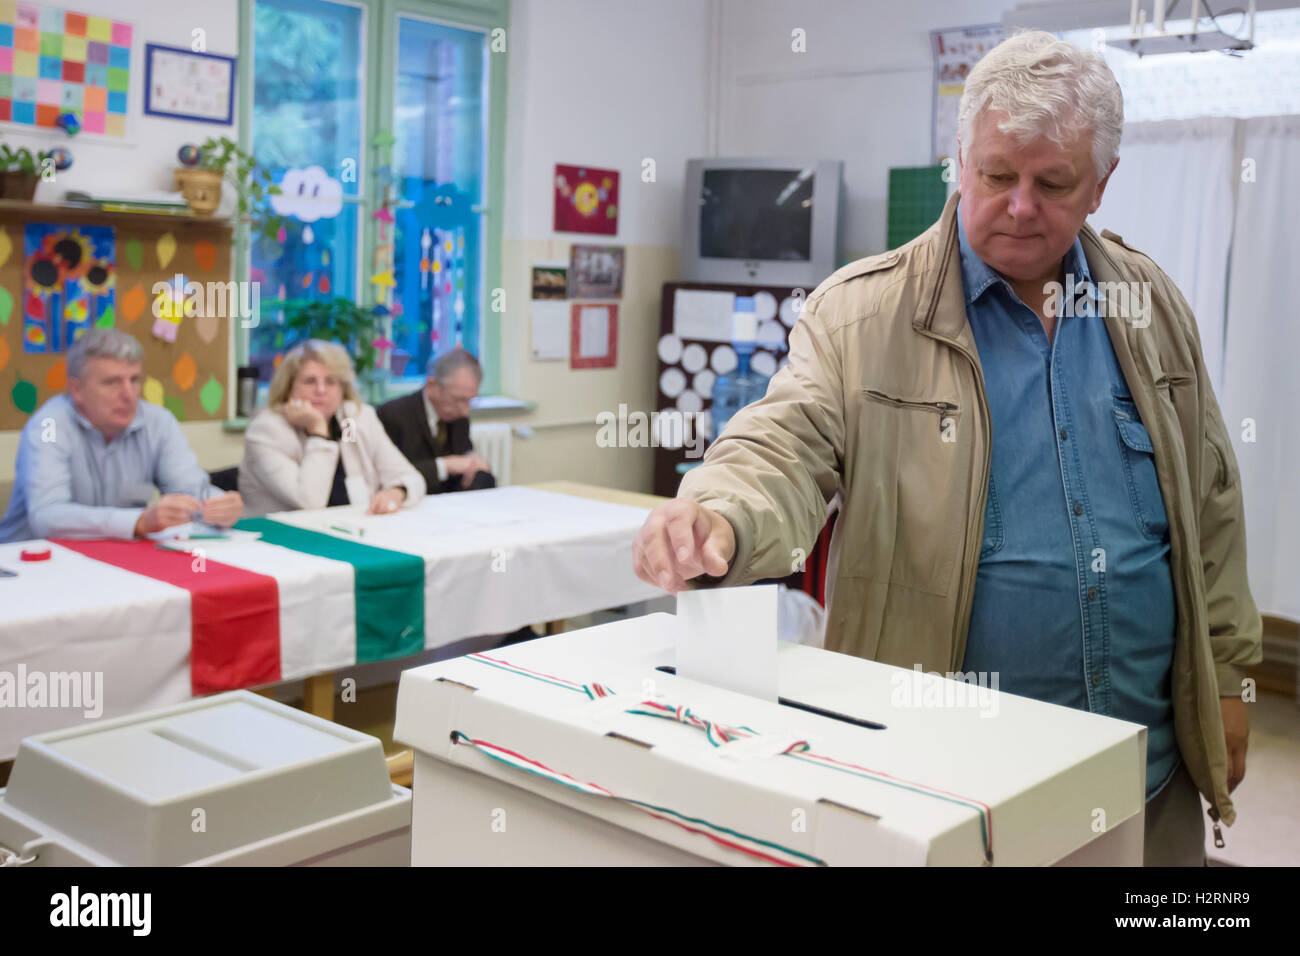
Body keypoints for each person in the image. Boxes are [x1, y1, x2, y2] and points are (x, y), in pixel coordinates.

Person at [633, 31, 1261, 866]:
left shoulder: (1153, 307)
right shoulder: (860, 316)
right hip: (942, 775)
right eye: (998, 175)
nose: (1021, 205)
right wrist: (721, 514)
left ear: (1101, 185)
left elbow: (1210, 504)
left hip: (1146, 768)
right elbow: (780, 442)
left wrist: (1226, 677)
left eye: (1054, 182)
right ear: (958, 163)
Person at [0, 328, 242, 543]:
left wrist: (219, 504)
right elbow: (47, 517)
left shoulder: (158, 422)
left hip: (118, 562)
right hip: (30, 566)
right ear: (77, 390)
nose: (128, 394)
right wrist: (139, 521)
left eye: (134, 380)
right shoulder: (49, 425)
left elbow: (191, 488)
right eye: (112, 382)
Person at [239, 339, 425, 517]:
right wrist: (318, 430)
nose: (321, 391)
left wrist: (397, 492)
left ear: (343, 388)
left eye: (330, 382)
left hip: (352, 529)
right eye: (310, 381)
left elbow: (411, 478)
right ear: (288, 388)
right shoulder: (268, 430)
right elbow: (309, 501)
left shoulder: (351, 419)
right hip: (281, 539)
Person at [377, 348, 494, 493]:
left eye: (470, 401)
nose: (465, 411)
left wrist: (476, 466)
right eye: (459, 400)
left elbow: (464, 460)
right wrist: (444, 466)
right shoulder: (393, 414)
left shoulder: (458, 416)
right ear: (432, 385)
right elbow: (388, 474)